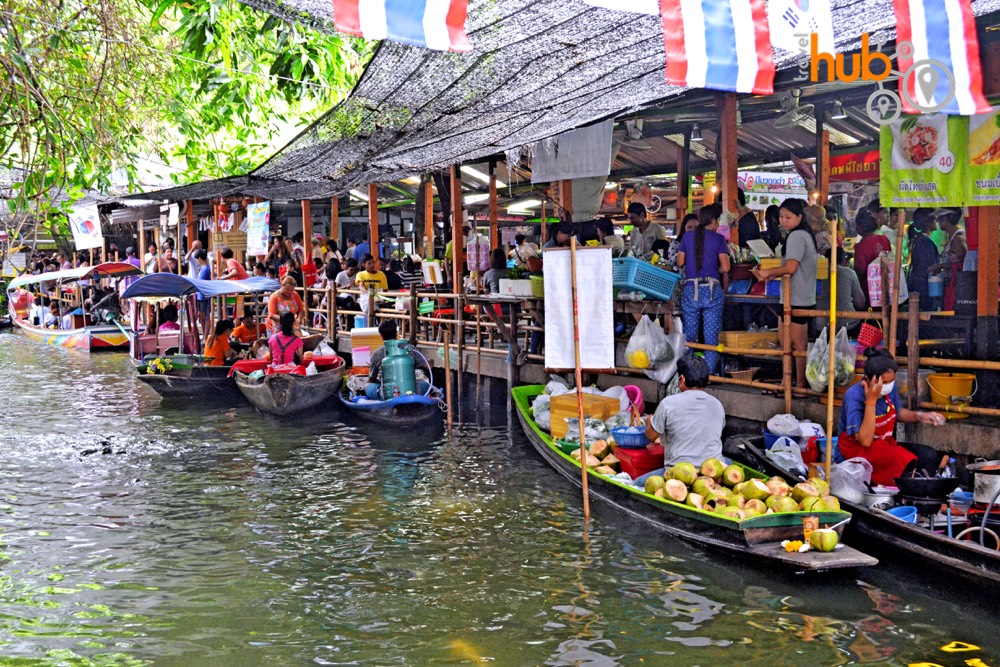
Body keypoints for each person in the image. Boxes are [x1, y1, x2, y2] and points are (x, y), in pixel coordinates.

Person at [838, 348, 946, 486]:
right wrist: (871, 401)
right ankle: (903, 496)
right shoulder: (854, 395)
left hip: (884, 444)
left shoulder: (889, 388)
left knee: (928, 455)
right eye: (884, 382)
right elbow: (865, 440)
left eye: (891, 381)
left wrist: (921, 416)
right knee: (903, 460)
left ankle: (921, 497)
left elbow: (897, 412)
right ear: (868, 379)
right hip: (856, 452)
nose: (888, 386)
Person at [753, 198, 817, 396]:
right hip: (793, 296)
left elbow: (790, 267)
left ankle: (800, 385)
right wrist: (771, 273)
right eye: (781, 216)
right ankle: (786, 381)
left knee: (797, 344)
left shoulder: (797, 236)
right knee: (786, 342)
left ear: (800, 217)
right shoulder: (801, 235)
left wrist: (768, 272)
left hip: (798, 298)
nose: (783, 221)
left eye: (788, 217)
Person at [639, 357, 725, 479]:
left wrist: (649, 421)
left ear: (682, 379)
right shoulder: (718, 405)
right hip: (714, 471)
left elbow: (650, 436)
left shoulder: (668, 403)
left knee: (637, 483)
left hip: (680, 473)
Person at [677, 205, 729, 374]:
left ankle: (688, 372)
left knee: (689, 336)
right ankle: (709, 373)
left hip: (692, 289)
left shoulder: (687, 237)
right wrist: (714, 270)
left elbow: (680, 262)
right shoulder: (719, 239)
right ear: (713, 221)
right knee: (711, 337)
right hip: (712, 290)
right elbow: (726, 267)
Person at [364, 320, 427, 399]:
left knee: (367, 386)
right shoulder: (409, 348)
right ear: (396, 332)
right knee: (426, 385)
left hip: (386, 394)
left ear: (381, 335)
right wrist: (431, 361)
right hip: (412, 391)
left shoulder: (376, 354)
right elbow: (427, 367)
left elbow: (371, 379)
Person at [853, 209, 892, 308]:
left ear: (860, 228)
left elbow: (860, 271)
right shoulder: (884, 239)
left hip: (870, 291)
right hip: (887, 286)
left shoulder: (860, 247)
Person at [930, 207, 967, 311]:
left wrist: (940, 266)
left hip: (957, 288)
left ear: (945, 219)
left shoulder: (958, 238)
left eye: (939, 219)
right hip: (950, 285)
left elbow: (963, 263)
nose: (938, 222)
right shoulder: (952, 237)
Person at [907, 208, 940, 300]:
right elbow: (929, 267)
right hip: (924, 289)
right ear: (928, 223)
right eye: (935, 219)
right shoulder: (925, 242)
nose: (937, 222)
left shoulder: (920, 240)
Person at [193, 250, 212, 331]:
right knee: (201, 315)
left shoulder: (206, 269)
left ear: (199, 258)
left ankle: (206, 335)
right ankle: (204, 333)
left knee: (205, 316)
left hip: (205, 296)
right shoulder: (203, 268)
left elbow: (200, 282)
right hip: (200, 296)